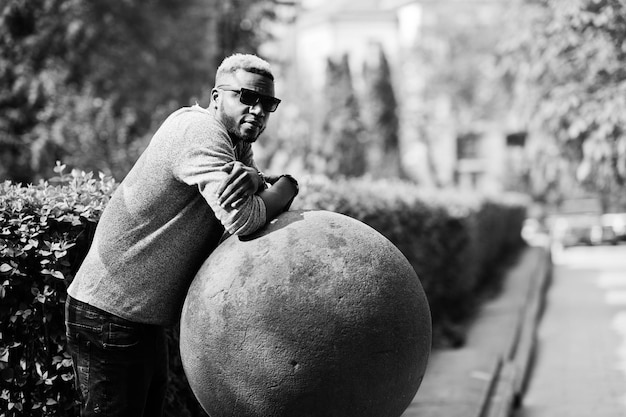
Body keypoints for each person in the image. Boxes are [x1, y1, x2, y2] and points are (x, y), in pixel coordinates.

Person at [64, 53, 299, 417]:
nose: (258, 111)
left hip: (139, 317)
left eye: (268, 102)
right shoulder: (200, 132)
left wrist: (259, 179)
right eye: (246, 97)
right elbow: (246, 218)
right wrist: (287, 184)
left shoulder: (236, 142)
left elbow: (254, 193)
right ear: (216, 96)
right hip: (109, 314)